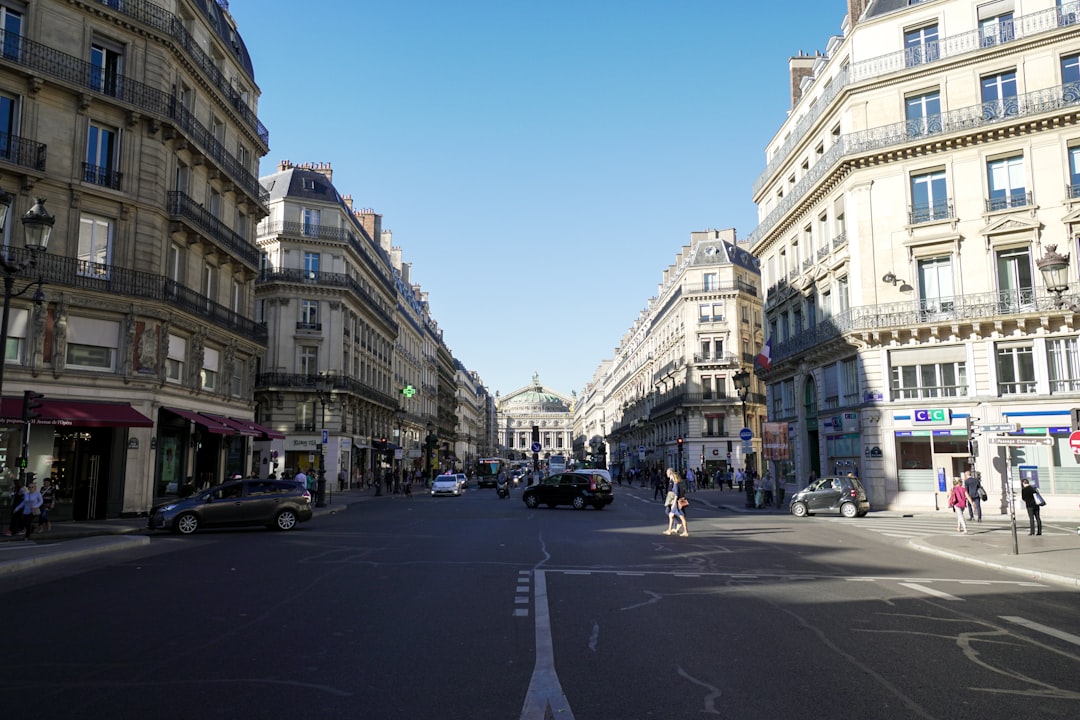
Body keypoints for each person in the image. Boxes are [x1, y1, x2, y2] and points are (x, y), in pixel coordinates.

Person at [663, 468, 688, 536]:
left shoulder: (676, 484)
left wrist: (673, 503)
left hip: (677, 503)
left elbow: (676, 494)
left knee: (682, 517)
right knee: (671, 515)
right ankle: (669, 530)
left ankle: (685, 531)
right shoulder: (680, 483)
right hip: (679, 502)